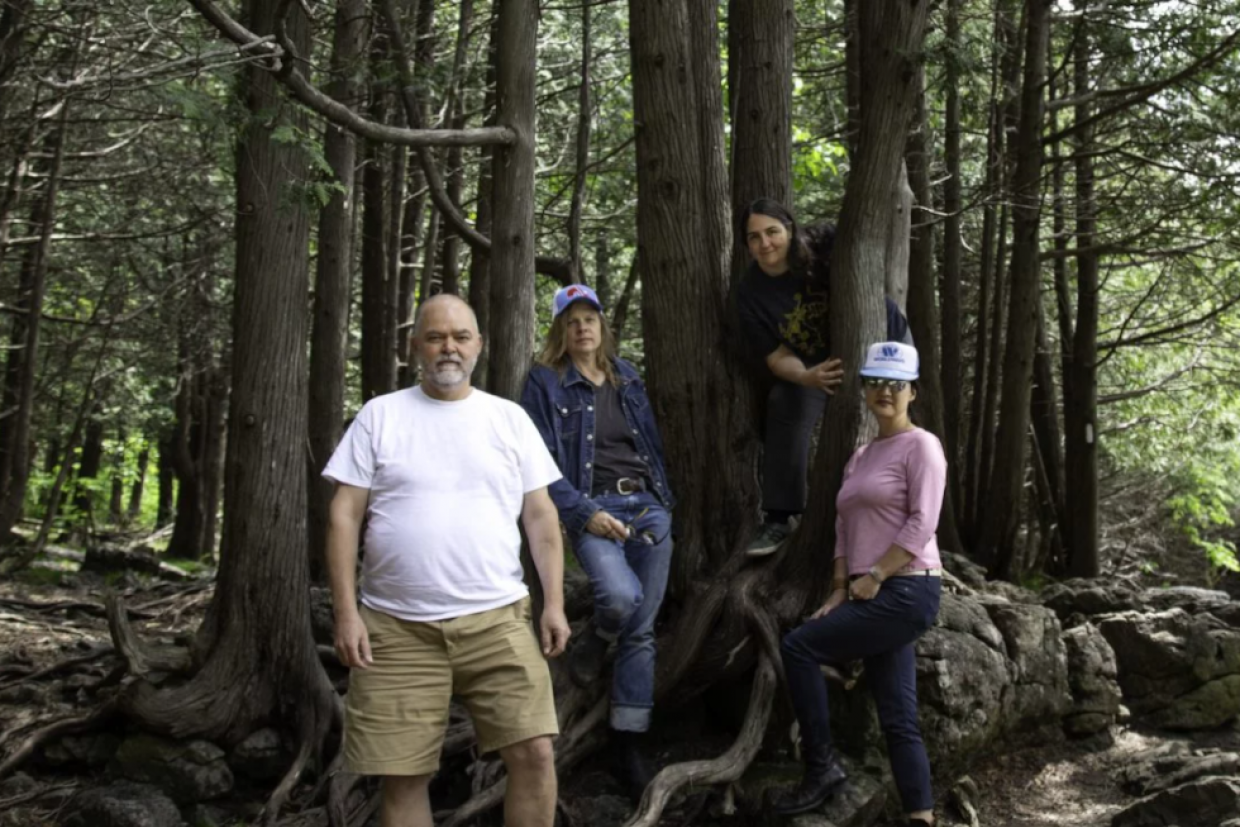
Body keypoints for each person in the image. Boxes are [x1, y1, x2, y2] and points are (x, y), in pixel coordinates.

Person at [323, 294, 571, 827]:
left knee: (534, 753)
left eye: (460, 336)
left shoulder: (509, 420)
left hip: (498, 620)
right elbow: (344, 517)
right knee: (404, 773)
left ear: (478, 345)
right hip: (394, 630)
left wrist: (554, 604)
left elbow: (541, 518)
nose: (448, 348)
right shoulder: (379, 416)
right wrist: (346, 614)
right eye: (435, 337)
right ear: (416, 347)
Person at [770, 341, 945, 826]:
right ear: (865, 390)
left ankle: (821, 768)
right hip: (871, 588)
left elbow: (922, 522)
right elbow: (844, 526)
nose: (885, 392)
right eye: (876, 383)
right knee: (897, 716)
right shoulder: (860, 456)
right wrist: (840, 587)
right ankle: (921, 817)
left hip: (908, 588)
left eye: (895, 383)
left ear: (912, 390)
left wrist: (876, 576)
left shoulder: (923, 446)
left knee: (799, 648)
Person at [520, 284, 675, 800]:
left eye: (590, 318)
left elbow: (650, 443)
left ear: (603, 325)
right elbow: (538, 463)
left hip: (647, 508)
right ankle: (597, 637)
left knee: (642, 633)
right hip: (595, 510)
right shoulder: (545, 382)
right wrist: (585, 514)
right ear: (560, 332)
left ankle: (627, 742)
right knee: (621, 598)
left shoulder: (627, 375)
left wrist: (663, 503)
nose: (582, 327)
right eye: (571, 321)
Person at [736, 198, 913, 557]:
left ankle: (906, 515)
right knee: (785, 401)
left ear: (790, 229)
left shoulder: (823, 243)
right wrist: (806, 377)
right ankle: (780, 518)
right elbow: (775, 355)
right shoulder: (749, 292)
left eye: (773, 232)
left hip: (879, 341)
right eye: (754, 237)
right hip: (819, 367)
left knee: (896, 421)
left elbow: (867, 270)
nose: (765, 243)